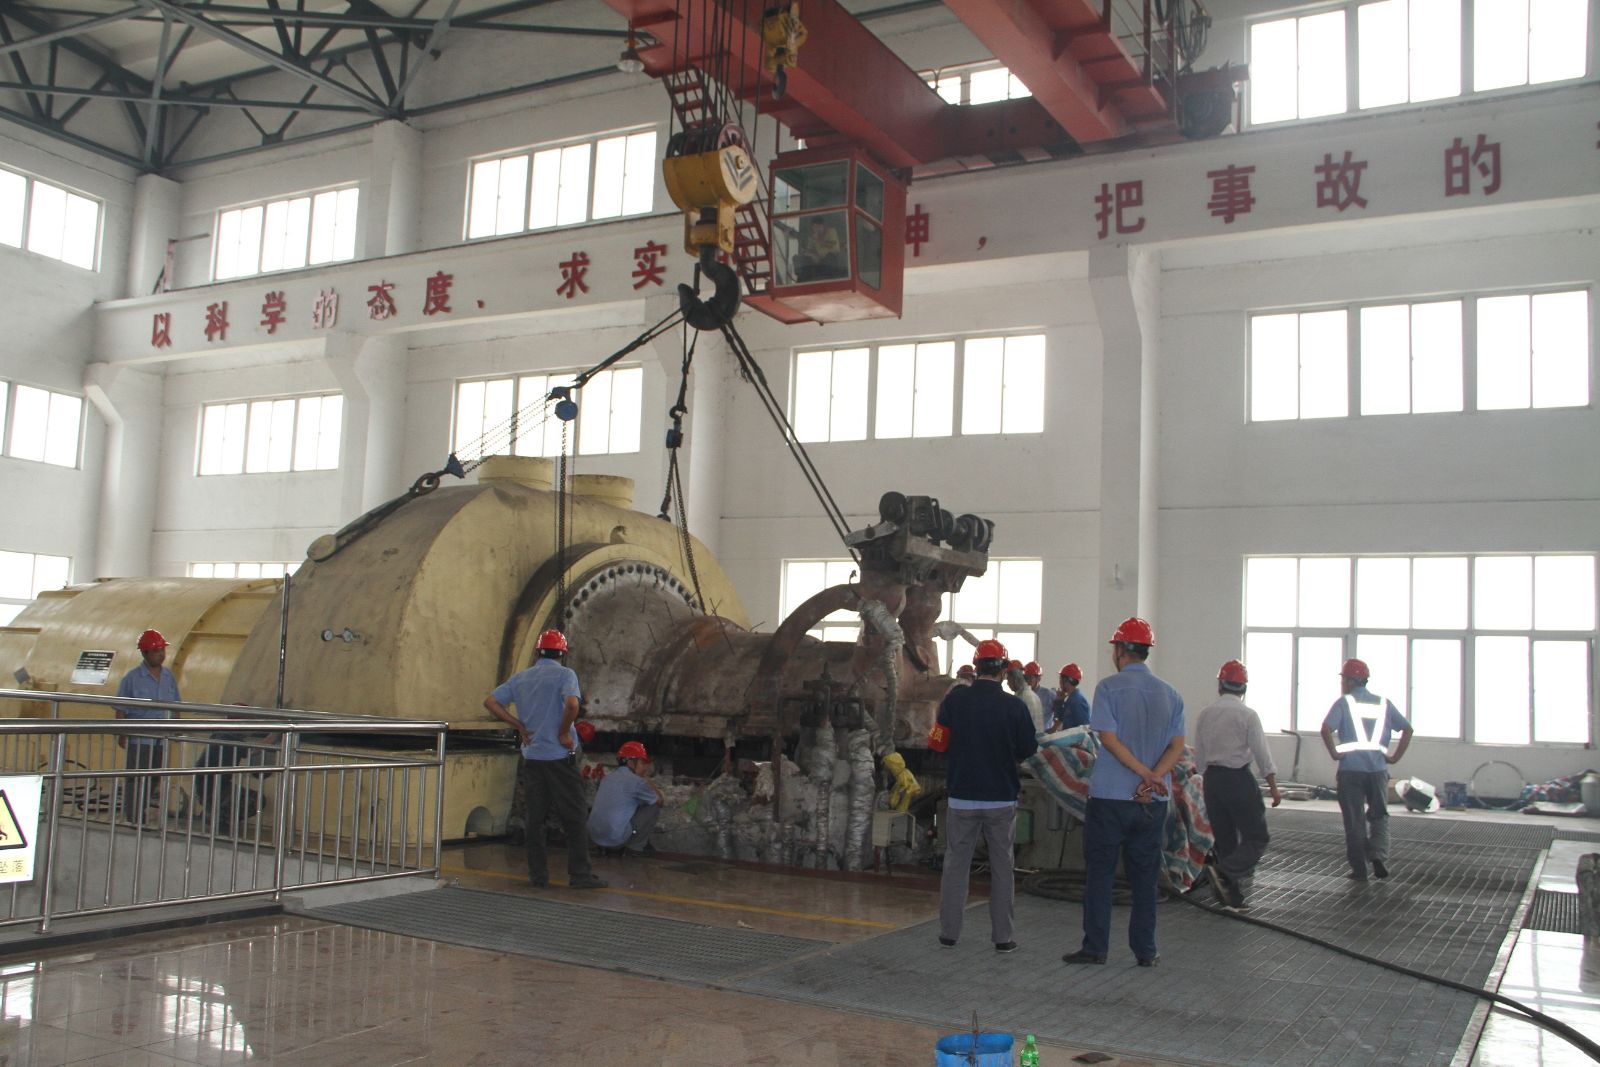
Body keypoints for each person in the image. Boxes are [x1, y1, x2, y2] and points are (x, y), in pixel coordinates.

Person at [1064, 617, 1185, 968]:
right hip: (1153, 800)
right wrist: (1154, 776)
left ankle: (1095, 948)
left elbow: (1108, 739)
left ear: (1119, 650)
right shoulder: (1171, 694)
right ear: (1146, 651)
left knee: (1100, 875)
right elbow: (1177, 746)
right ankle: (1146, 950)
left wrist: (1143, 773)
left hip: (1110, 799)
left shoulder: (1108, 688)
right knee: (1145, 877)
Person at [483, 628, 608, 889]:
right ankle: (580, 875)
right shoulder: (565, 675)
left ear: (538, 651)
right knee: (574, 815)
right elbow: (572, 705)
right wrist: (562, 732)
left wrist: (518, 725)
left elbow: (491, 702)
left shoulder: (521, 678)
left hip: (533, 758)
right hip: (560, 758)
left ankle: (538, 876)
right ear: (563, 653)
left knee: (535, 819)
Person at [937, 639, 1039, 953]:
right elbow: (1029, 748)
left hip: (961, 797)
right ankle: (1003, 938)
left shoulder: (954, 702)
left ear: (976, 666)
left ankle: (949, 934)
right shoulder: (1015, 707)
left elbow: (937, 742)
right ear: (1004, 670)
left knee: (956, 864)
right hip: (1001, 798)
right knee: (1002, 867)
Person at [1195, 660, 1282, 911]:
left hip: (1212, 780)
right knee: (1257, 836)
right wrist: (1273, 786)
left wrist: (1207, 782)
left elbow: (1200, 757)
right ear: (1244, 688)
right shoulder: (1248, 715)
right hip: (1238, 780)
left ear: (1220, 685)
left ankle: (1232, 898)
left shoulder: (1205, 714)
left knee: (1226, 842)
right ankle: (1224, 872)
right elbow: (1262, 753)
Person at [1320, 658, 1412, 881]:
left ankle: (1360, 869)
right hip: (1378, 771)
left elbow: (1325, 728)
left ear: (1350, 681)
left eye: (1343, 679)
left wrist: (1334, 753)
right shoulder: (1384, 704)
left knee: (1354, 821)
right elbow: (1407, 729)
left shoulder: (1344, 703)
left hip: (1351, 771)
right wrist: (1394, 757)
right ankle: (1378, 855)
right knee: (1379, 816)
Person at [114, 629, 179, 823]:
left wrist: (177, 728)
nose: (161, 654)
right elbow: (120, 708)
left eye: (162, 650)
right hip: (140, 739)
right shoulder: (132, 679)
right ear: (145, 653)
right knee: (136, 778)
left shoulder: (168, 677)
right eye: (156, 651)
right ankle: (134, 815)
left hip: (161, 739)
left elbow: (176, 705)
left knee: (154, 777)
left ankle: (140, 810)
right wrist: (122, 734)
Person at [588, 741, 664, 856]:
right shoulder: (637, 782)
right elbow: (660, 801)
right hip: (615, 840)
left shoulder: (607, 778)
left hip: (594, 837)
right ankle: (635, 848)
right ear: (631, 763)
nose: (645, 768)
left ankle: (603, 845)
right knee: (654, 806)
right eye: (642, 763)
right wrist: (646, 779)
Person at [794, 215, 843, 281]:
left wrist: (819, 240)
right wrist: (807, 252)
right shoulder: (813, 237)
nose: (817, 229)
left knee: (829, 257)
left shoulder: (831, 231)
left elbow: (832, 245)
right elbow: (810, 249)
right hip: (819, 261)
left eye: (819, 227)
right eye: (815, 227)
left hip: (832, 261)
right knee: (803, 260)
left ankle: (827, 279)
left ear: (823, 226)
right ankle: (803, 281)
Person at [1006, 661, 1047, 734]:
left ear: (1015, 678)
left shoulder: (1021, 698)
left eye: (1008, 679)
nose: (1007, 683)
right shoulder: (1033, 695)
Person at [1051, 663, 1090, 731]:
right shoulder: (1070, 699)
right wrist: (1059, 701)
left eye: (1060, 679)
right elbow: (1058, 719)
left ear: (1067, 680)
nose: (1059, 682)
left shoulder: (1077, 701)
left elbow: (1084, 729)